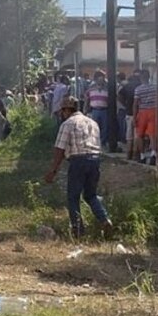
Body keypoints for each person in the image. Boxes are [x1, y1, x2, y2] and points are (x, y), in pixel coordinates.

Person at [44, 96, 115, 238]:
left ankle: (77, 230)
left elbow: (59, 149)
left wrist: (53, 171)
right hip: (95, 160)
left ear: (66, 110)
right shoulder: (92, 123)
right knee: (91, 195)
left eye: (62, 112)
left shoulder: (68, 124)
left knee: (73, 196)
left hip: (78, 161)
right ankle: (104, 219)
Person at [133, 69, 157, 164]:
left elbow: (135, 104)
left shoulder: (138, 89)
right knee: (152, 134)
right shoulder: (155, 88)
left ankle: (142, 156)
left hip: (142, 111)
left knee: (140, 134)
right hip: (154, 110)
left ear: (140, 78)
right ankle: (153, 153)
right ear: (149, 77)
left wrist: (135, 117)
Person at [85, 71, 110, 146]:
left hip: (104, 110)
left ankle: (103, 142)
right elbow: (87, 99)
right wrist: (86, 109)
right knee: (94, 127)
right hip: (94, 110)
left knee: (105, 128)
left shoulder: (107, 89)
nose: (101, 81)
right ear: (96, 80)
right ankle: (95, 142)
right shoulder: (91, 89)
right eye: (99, 79)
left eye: (102, 79)